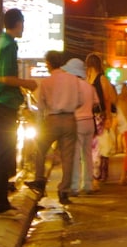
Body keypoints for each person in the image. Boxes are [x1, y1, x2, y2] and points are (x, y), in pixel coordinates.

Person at [0, 8, 37, 217]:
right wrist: (28, 83)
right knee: (2, 155)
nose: (23, 27)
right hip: (2, 106)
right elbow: (4, 77)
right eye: (23, 22)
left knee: (1, 155)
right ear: (18, 23)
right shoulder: (8, 45)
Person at [29, 55, 83, 205]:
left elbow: (41, 107)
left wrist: (40, 124)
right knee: (68, 157)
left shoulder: (46, 82)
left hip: (52, 119)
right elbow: (80, 101)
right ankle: (64, 191)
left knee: (40, 148)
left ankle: (39, 179)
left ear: (48, 64)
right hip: (70, 119)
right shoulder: (73, 80)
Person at [71, 58, 99, 195]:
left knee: (76, 155)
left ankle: (75, 186)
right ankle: (88, 185)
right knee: (87, 155)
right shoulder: (90, 86)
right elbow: (96, 103)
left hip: (78, 122)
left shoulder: (73, 86)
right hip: (90, 121)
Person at [86, 53, 116, 182]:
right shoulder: (89, 79)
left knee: (100, 145)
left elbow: (108, 99)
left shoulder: (101, 78)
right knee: (95, 146)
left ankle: (99, 174)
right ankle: (97, 174)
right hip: (91, 116)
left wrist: (108, 117)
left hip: (100, 116)